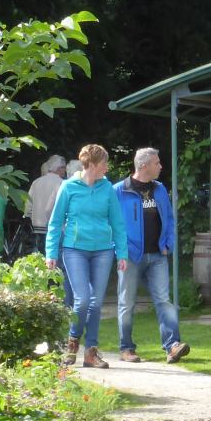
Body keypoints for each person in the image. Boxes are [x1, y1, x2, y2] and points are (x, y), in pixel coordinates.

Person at [46, 143, 128, 369]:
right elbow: (55, 223)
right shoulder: (68, 187)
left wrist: (122, 253)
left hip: (103, 250)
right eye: (104, 163)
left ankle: (91, 352)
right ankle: (73, 342)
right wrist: (51, 253)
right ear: (91, 164)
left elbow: (118, 223)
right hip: (75, 249)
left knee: (96, 302)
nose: (107, 167)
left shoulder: (107, 188)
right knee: (82, 300)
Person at [115, 147, 190, 364]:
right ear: (143, 165)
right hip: (130, 256)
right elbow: (109, 223)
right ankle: (126, 348)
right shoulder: (119, 190)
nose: (161, 166)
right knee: (127, 303)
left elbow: (169, 219)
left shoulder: (159, 189)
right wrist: (120, 249)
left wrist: (168, 243)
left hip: (157, 255)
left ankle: (173, 346)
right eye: (157, 163)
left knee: (164, 301)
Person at [26, 154, 66, 256]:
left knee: (41, 261)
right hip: (57, 229)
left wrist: (33, 219)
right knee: (55, 262)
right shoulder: (63, 184)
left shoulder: (36, 182)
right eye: (64, 168)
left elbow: (28, 207)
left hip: (37, 229)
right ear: (59, 168)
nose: (65, 171)